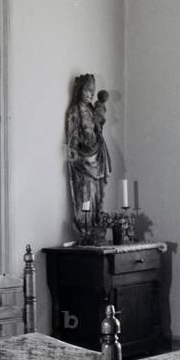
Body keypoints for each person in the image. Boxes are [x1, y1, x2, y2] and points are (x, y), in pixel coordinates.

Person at [65, 74, 111, 239]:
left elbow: (99, 124)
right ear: (79, 90)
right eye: (88, 90)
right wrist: (78, 148)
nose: (91, 94)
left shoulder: (92, 109)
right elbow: (71, 138)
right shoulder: (74, 110)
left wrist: (100, 105)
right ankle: (85, 228)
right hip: (83, 160)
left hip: (96, 156)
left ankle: (96, 225)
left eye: (93, 90)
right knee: (85, 192)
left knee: (97, 193)